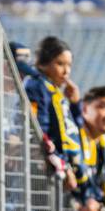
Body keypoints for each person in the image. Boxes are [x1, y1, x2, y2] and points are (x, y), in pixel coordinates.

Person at [23, 36, 81, 188]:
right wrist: (63, 165)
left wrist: (75, 104)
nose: (66, 71)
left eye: (69, 65)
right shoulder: (37, 86)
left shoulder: (55, 92)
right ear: (44, 63)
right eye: (60, 64)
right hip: (41, 169)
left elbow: (74, 131)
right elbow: (39, 130)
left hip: (57, 168)